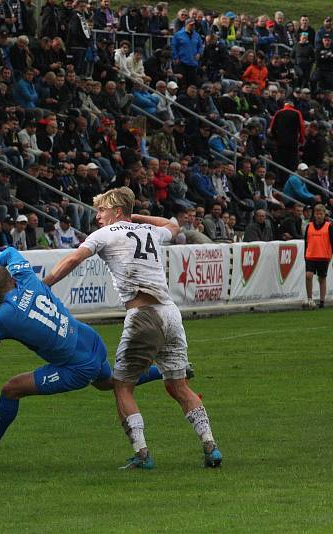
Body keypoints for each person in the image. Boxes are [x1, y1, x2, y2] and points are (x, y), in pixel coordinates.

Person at [43, 187, 222, 469]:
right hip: (171, 314)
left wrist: (45, 284)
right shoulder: (149, 232)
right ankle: (211, 446)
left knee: (122, 386)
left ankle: (142, 454)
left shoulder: (105, 234)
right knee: (178, 386)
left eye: (102, 210)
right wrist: (135, 216)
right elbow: (172, 226)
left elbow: (74, 259)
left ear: (115, 212)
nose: (98, 216)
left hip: (143, 315)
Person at [0, 246, 162, 462]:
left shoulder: (2, 318)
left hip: (77, 368)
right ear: (13, 279)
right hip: (91, 341)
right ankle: (165, 372)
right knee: (109, 382)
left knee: (11, 389)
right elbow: (8, 252)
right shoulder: (28, 279)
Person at [303, 204, 333, 309]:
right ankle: (310, 299)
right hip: (310, 255)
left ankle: (322, 301)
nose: (319, 216)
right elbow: (306, 242)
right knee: (308, 276)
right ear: (314, 214)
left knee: (322, 278)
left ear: (324, 214)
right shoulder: (309, 226)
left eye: (321, 214)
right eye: (317, 213)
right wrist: (304, 255)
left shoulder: (329, 226)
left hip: (324, 256)